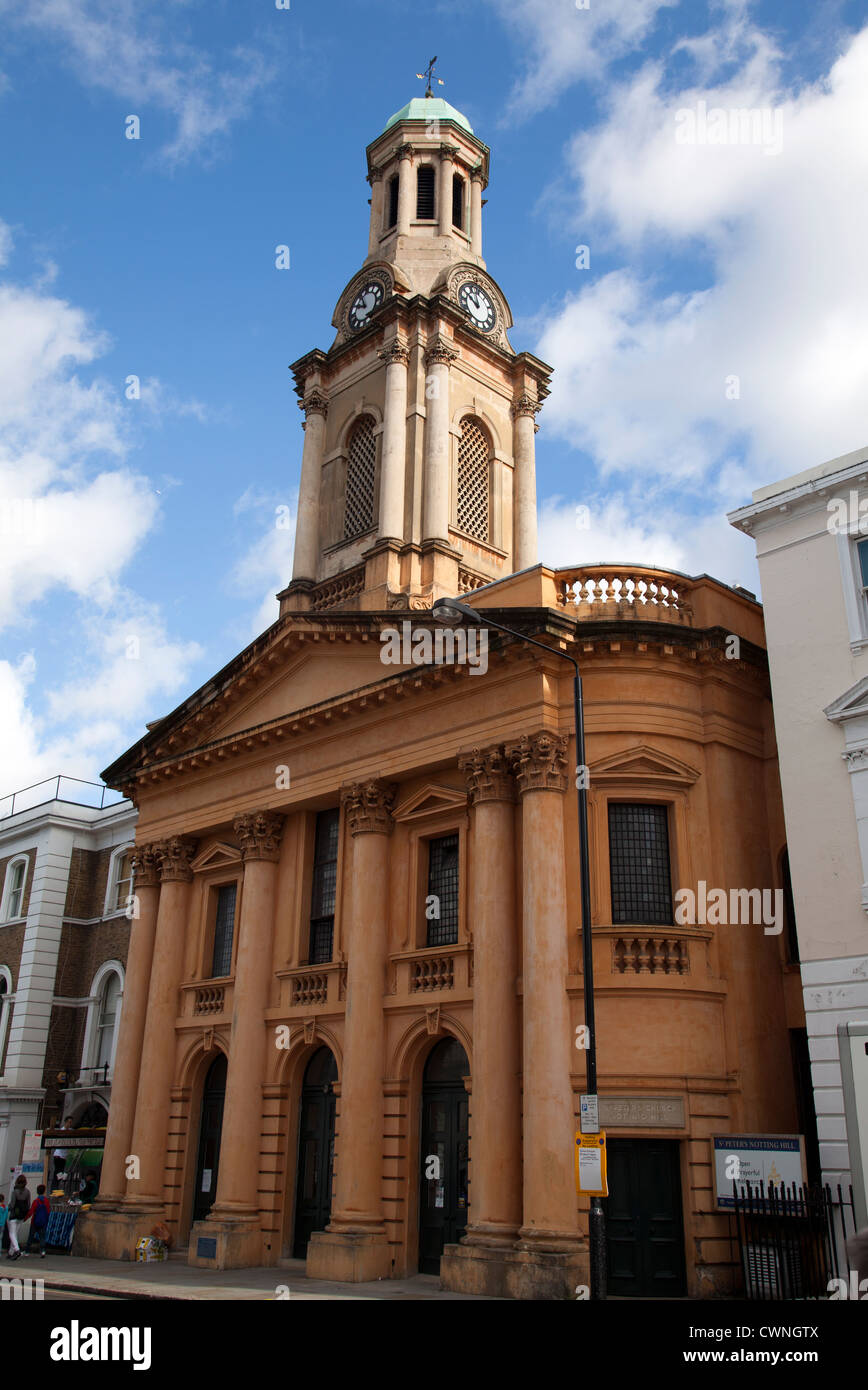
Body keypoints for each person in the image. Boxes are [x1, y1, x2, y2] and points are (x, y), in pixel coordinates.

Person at [6, 1175, 31, 1260]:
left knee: (12, 1234)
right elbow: (28, 1205)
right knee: (15, 1234)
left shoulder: (15, 1192)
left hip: (14, 1215)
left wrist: (7, 1208)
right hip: (21, 1215)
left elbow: (12, 1205)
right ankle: (11, 1252)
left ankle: (17, 1250)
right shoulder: (27, 1192)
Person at [25, 1184, 50, 1258]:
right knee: (42, 1237)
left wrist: (25, 1218)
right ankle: (42, 1251)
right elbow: (48, 1212)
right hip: (43, 1222)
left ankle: (27, 1251)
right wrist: (46, 1220)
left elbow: (31, 1212)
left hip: (35, 1221)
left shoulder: (36, 1201)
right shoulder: (46, 1201)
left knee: (31, 1237)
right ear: (44, 1191)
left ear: (37, 1192)